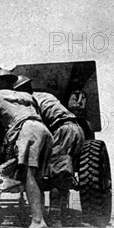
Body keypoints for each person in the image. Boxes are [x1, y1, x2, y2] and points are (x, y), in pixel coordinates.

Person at [0, 69, 53, 228]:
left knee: (30, 175)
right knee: (37, 177)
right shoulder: (27, 96)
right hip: (44, 131)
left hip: (27, 131)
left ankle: (38, 222)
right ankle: (40, 219)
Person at [15, 75, 86, 218]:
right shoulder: (45, 95)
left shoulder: (30, 100)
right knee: (62, 169)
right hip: (75, 128)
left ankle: (55, 217)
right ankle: (59, 212)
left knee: (57, 171)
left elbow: (35, 123)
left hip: (63, 130)